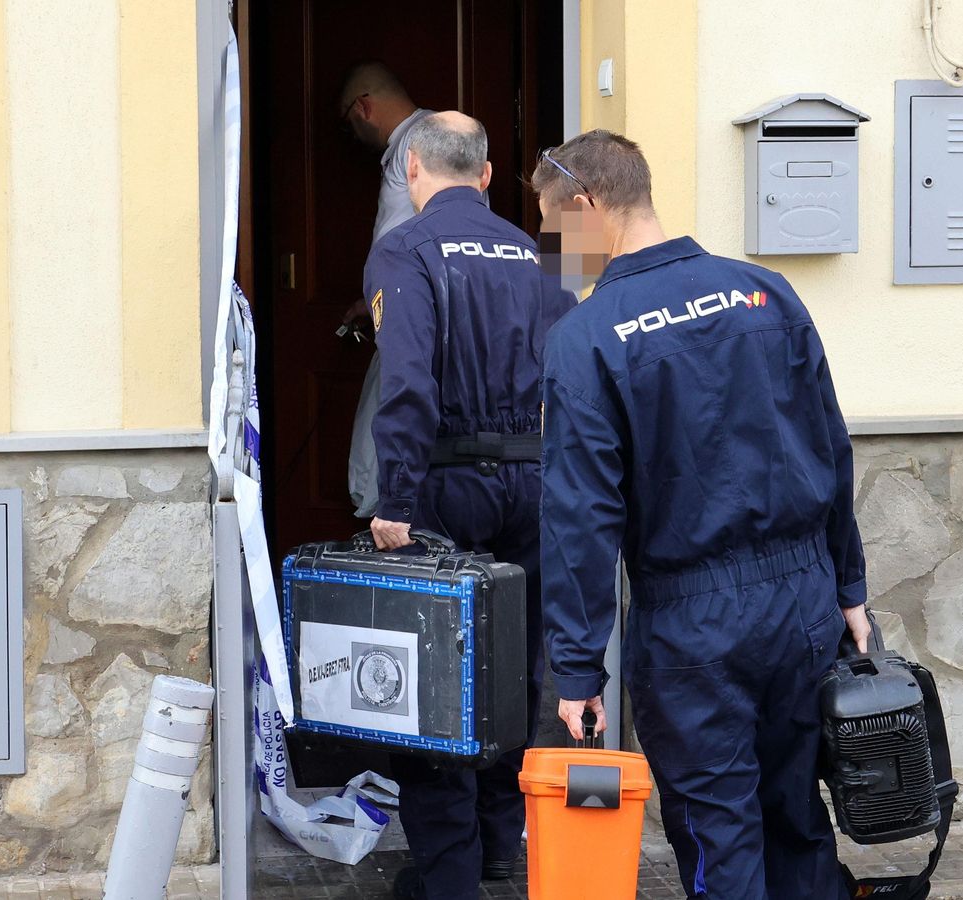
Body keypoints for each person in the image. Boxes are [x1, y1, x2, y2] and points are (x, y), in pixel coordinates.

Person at [530, 130, 871, 900]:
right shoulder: (764, 291)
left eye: (554, 229)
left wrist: (578, 668)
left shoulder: (587, 336)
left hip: (694, 624)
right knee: (797, 821)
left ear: (586, 204)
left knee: (722, 838)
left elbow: (581, 514)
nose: (555, 252)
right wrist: (848, 587)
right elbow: (830, 442)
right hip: (803, 605)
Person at [366, 111, 573, 900]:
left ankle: (447, 874)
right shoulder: (542, 252)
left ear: (412, 168)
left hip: (448, 485)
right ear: (486, 175)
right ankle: (497, 845)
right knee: (514, 668)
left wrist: (397, 500)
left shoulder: (404, 250)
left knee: (433, 674)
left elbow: (409, 382)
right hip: (536, 482)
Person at [338, 62, 434, 519]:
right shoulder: (427, 140)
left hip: (409, 320)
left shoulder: (417, 147)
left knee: (382, 443)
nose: (352, 133)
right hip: (410, 312)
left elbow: (404, 246)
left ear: (364, 107)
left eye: (348, 120)